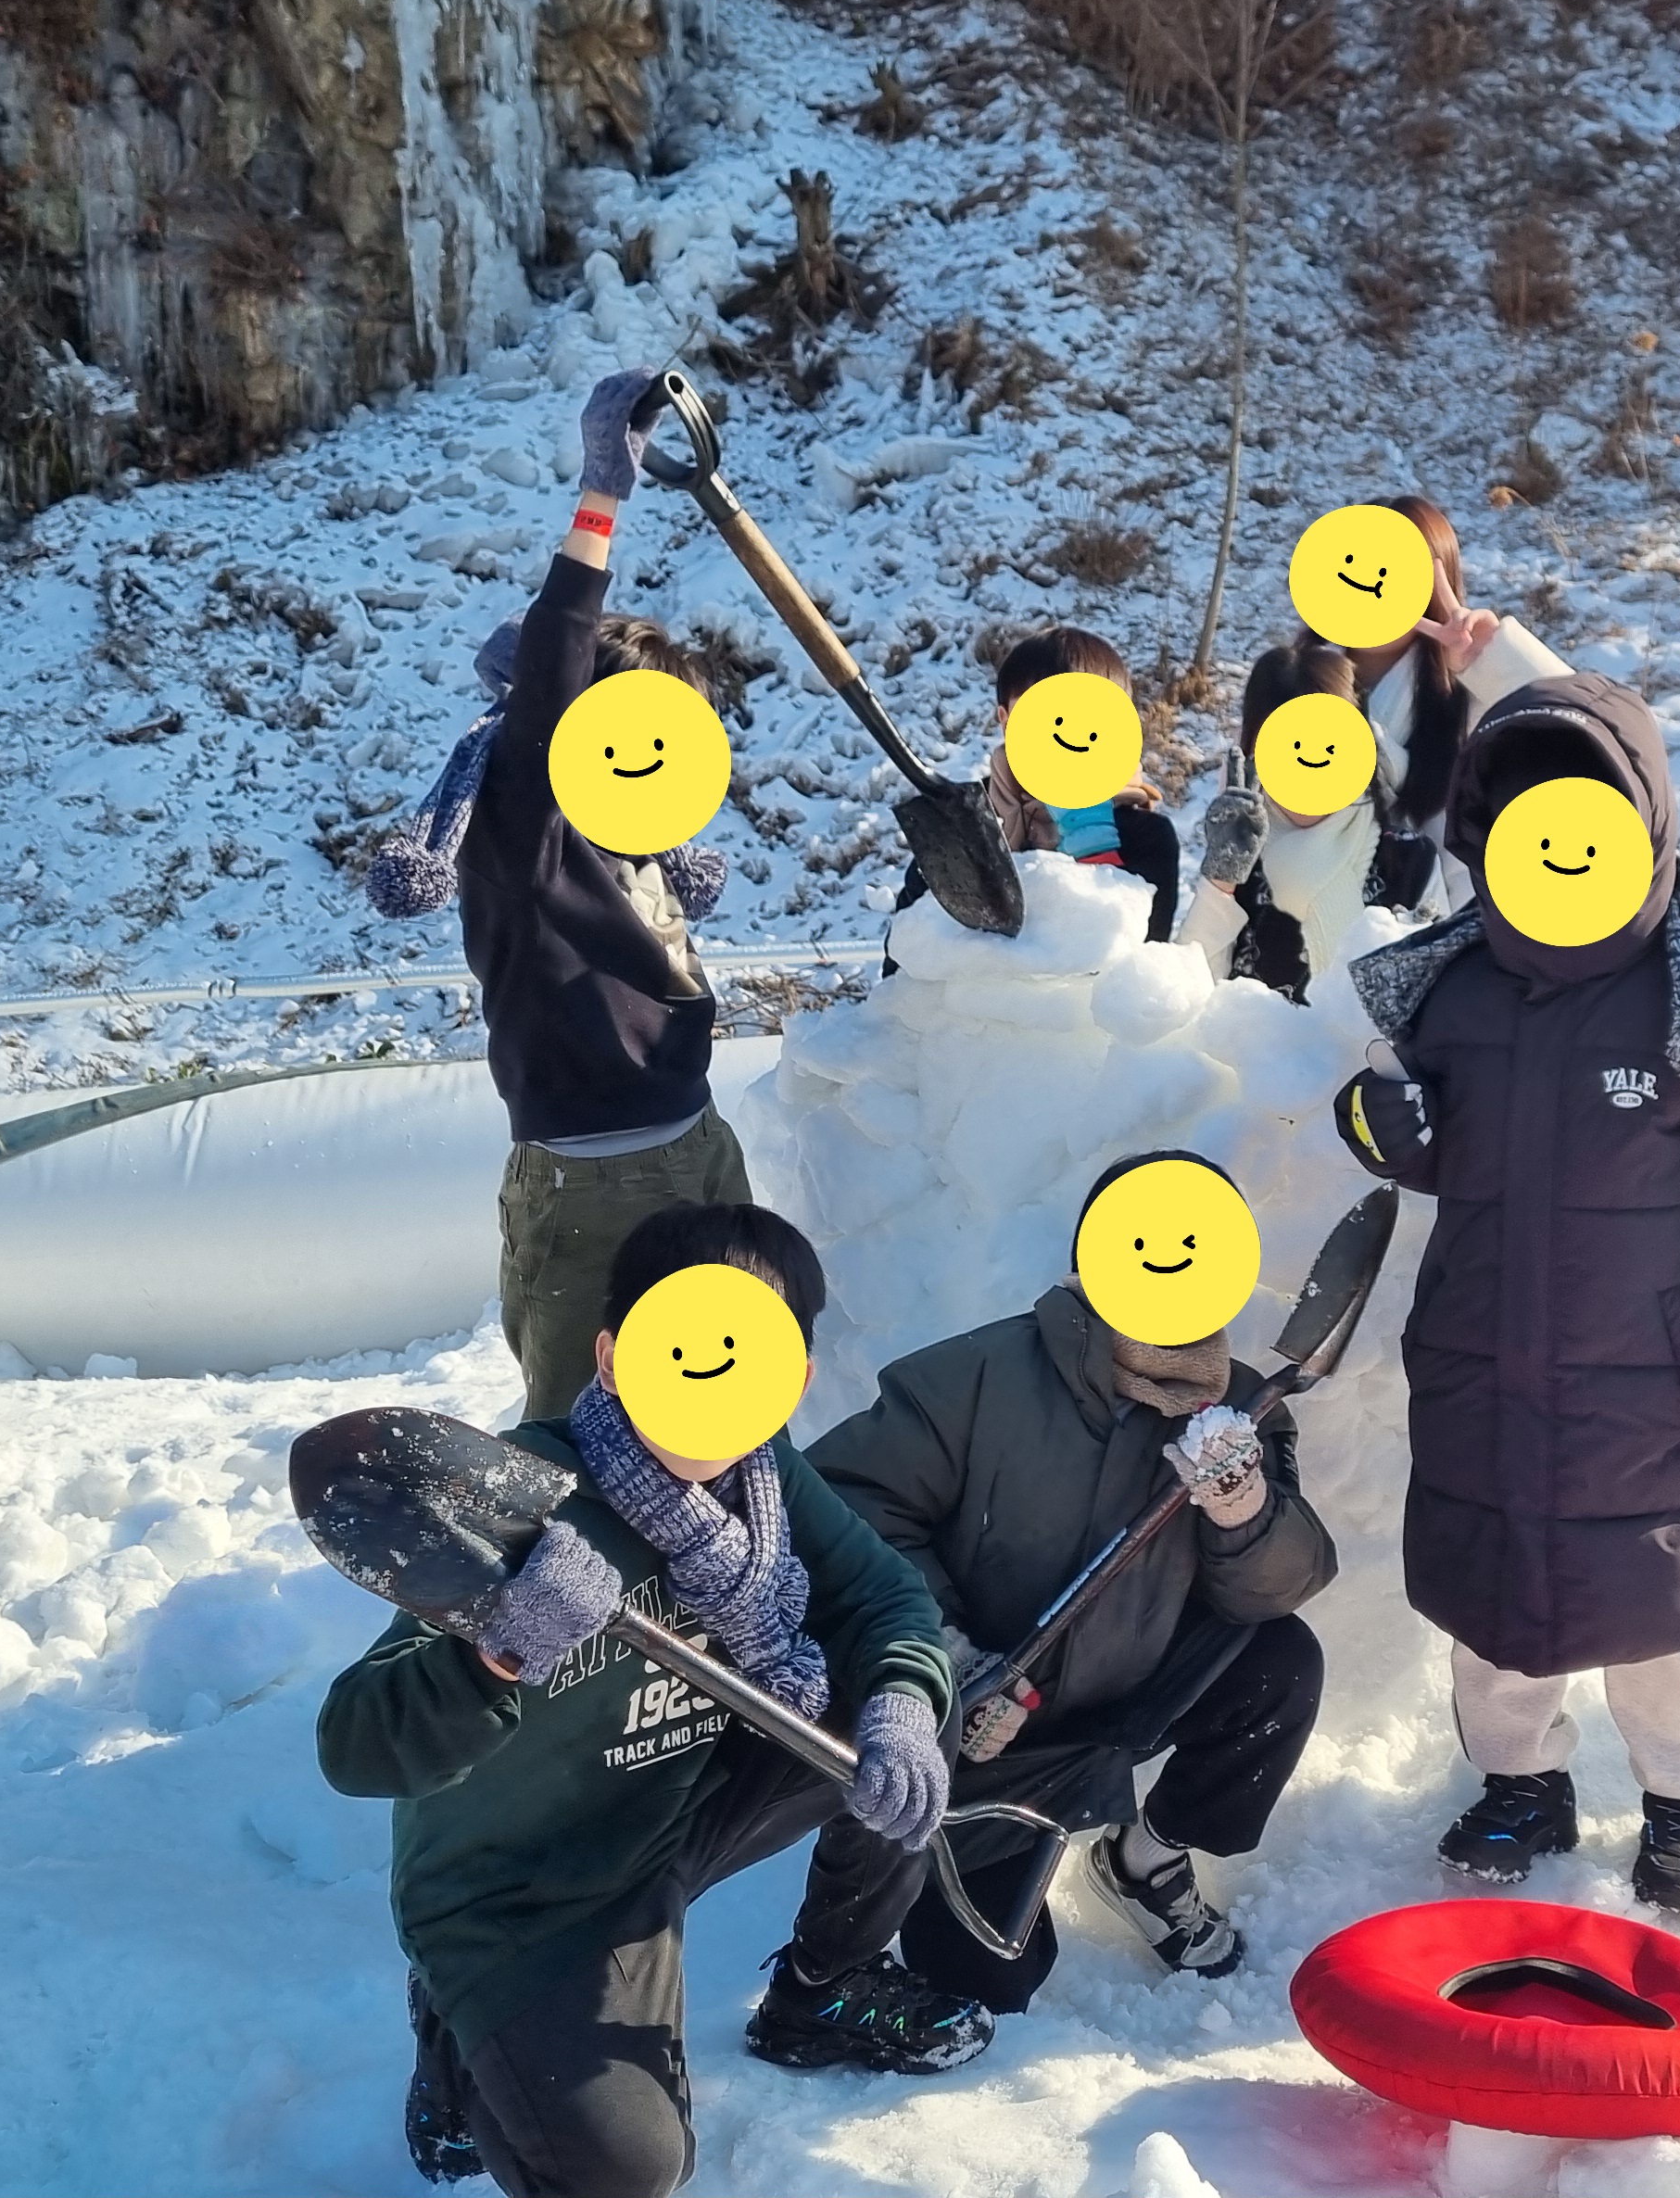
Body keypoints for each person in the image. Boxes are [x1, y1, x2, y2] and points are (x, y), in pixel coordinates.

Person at [317, 1204, 987, 2198]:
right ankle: (461, 2029)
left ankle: (823, 1987)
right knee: (628, 2170)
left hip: (672, 1814)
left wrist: (899, 1707)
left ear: (794, 1377)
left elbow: (885, 1599)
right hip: (518, 1888)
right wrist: (494, 1651)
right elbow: (354, 1745)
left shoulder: (765, 1480)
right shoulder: (521, 1497)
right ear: (611, 1355)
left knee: (916, 1713)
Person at [1338, 676, 1680, 1913]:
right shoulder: (1454, 988)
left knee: (1657, 1616)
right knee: (1496, 1612)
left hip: (1653, 1380)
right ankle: (1522, 1784)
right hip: (1482, 1354)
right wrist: (1383, 1125)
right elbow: (1437, 1148)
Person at [801, 1170, 1339, 2012]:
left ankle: (1144, 1860)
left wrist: (1245, 1510)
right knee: (985, 1980)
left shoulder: (1243, 1411)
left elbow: (1270, 1594)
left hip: (1130, 1686)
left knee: (1280, 1664)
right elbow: (841, 1512)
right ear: (1093, 1256)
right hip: (989, 1727)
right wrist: (948, 1659)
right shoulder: (972, 1379)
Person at [459, 371, 751, 1424]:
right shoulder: (523, 833)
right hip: (596, 1183)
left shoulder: (634, 838)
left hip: (699, 1144)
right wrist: (599, 501)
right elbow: (549, 692)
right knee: (586, 1432)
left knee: (724, 1410)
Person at [1181, 636, 1438, 1003]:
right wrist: (1219, 883)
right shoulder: (1240, 847)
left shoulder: (1409, 861)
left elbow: (1436, 1000)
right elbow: (1187, 992)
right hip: (1246, 1038)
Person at [895, 625, 1181, 941]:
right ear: (1006, 721)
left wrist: (1094, 843)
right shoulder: (964, 827)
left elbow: (1141, 954)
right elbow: (907, 949)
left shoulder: (1145, 836)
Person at [1344, 495, 1569, 882]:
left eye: (1394, 574)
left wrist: (1496, 656)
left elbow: (1579, 723)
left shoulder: (1475, 695)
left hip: (1450, 913)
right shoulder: (1295, 682)